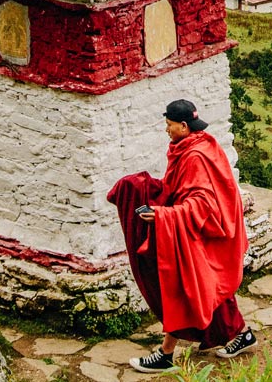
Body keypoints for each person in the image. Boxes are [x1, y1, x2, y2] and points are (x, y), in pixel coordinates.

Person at [107, 99, 258, 373]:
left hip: (205, 231)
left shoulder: (196, 156)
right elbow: (180, 190)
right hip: (196, 228)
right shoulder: (198, 145)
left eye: (169, 125)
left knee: (184, 287)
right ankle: (241, 334)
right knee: (209, 287)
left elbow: (201, 203)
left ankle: (166, 353)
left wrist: (165, 216)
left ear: (184, 126)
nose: (166, 130)